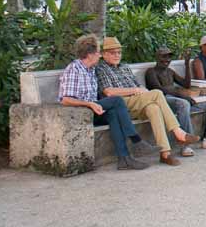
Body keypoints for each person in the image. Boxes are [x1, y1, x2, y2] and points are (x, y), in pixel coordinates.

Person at [96, 37, 200, 166]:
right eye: (113, 52)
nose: (117, 55)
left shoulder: (125, 67)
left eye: (119, 52)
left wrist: (141, 90)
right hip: (119, 104)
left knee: (153, 108)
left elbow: (139, 86)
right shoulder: (101, 69)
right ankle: (178, 132)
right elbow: (109, 92)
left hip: (136, 102)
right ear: (103, 54)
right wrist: (134, 90)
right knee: (157, 93)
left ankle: (165, 153)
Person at [59, 35, 154, 170]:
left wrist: (94, 104)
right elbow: (65, 99)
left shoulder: (91, 69)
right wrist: (90, 104)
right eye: (98, 53)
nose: (100, 56)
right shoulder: (74, 69)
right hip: (81, 111)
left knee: (114, 113)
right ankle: (135, 139)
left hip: (94, 109)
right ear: (90, 54)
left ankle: (124, 159)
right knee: (117, 100)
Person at [145, 46, 206, 155]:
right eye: (163, 56)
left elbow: (186, 84)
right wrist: (183, 96)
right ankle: (185, 145)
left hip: (179, 99)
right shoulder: (151, 72)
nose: (167, 59)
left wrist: (186, 64)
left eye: (169, 56)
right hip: (163, 101)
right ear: (157, 57)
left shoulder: (170, 71)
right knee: (183, 103)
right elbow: (159, 90)